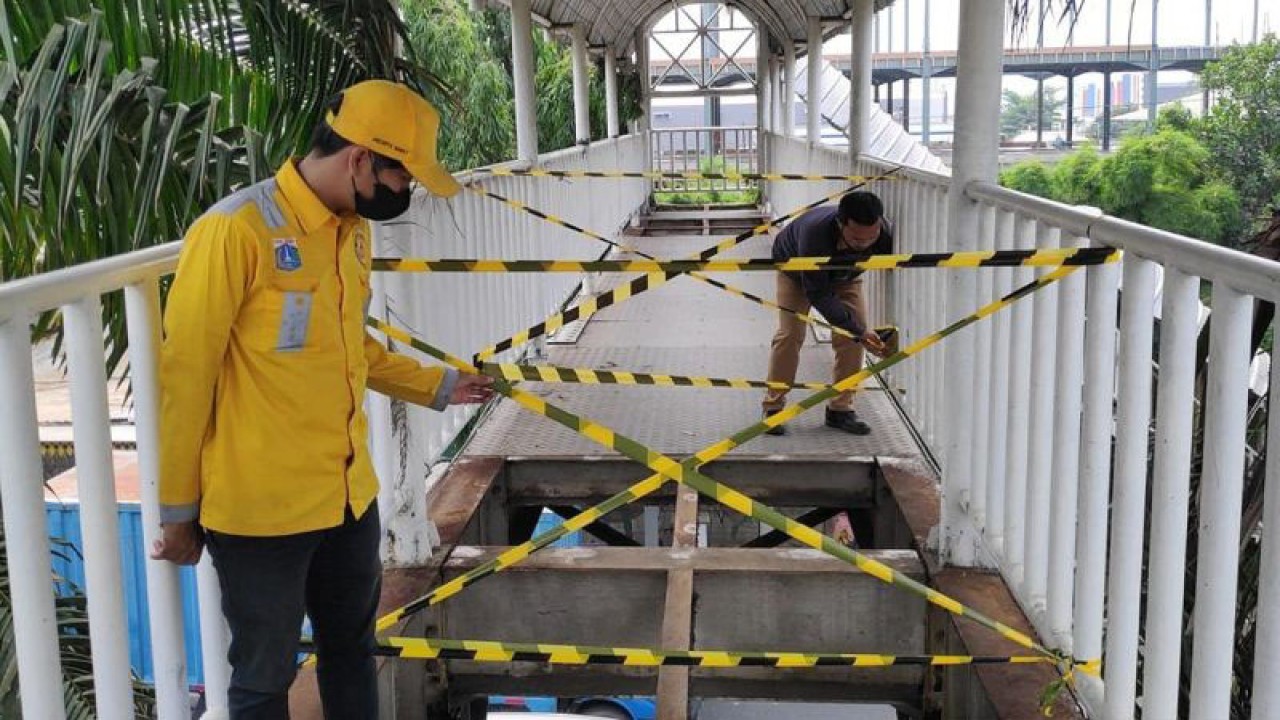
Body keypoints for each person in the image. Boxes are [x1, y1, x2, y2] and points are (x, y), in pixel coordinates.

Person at [151, 79, 495, 719]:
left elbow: (352, 351)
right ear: (361, 158)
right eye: (402, 177)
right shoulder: (236, 232)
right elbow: (186, 374)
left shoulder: (351, 232)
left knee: (352, 653)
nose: (405, 193)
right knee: (262, 678)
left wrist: (441, 386)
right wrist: (177, 510)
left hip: (347, 498)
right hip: (262, 512)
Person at [762, 191, 892, 436]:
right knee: (790, 336)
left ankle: (840, 409)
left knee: (854, 340)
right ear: (840, 223)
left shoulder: (882, 233)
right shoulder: (815, 236)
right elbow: (819, 294)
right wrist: (858, 330)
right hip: (796, 272)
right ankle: (773, 407)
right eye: (856, 239)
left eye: (871, 237)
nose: (864, 244)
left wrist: (859, 332)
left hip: (845, 275)